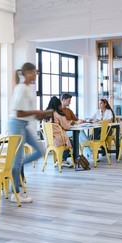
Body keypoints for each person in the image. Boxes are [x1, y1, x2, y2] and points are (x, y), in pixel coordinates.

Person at [8, 62, 53, 203]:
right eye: (33, 72)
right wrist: (37, 112)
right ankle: (15, 193)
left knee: (41, 150)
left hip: (23, 124)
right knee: (18, 158)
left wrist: (41, 115)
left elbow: (26, 113)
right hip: (16, 124)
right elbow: (19, 113)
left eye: (36, 72)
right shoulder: (21, 88)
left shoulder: (28, 88)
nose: (35, 75)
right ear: (27, 73)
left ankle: (15, 167)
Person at [45, 96, 74, 167]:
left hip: (49, 140)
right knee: (71, 142)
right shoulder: (59, 114)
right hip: (59, 139)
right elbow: (66, 126)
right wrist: (70, 123)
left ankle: (59, 159)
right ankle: (62, 159)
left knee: (68, 140)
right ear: (58, 105)